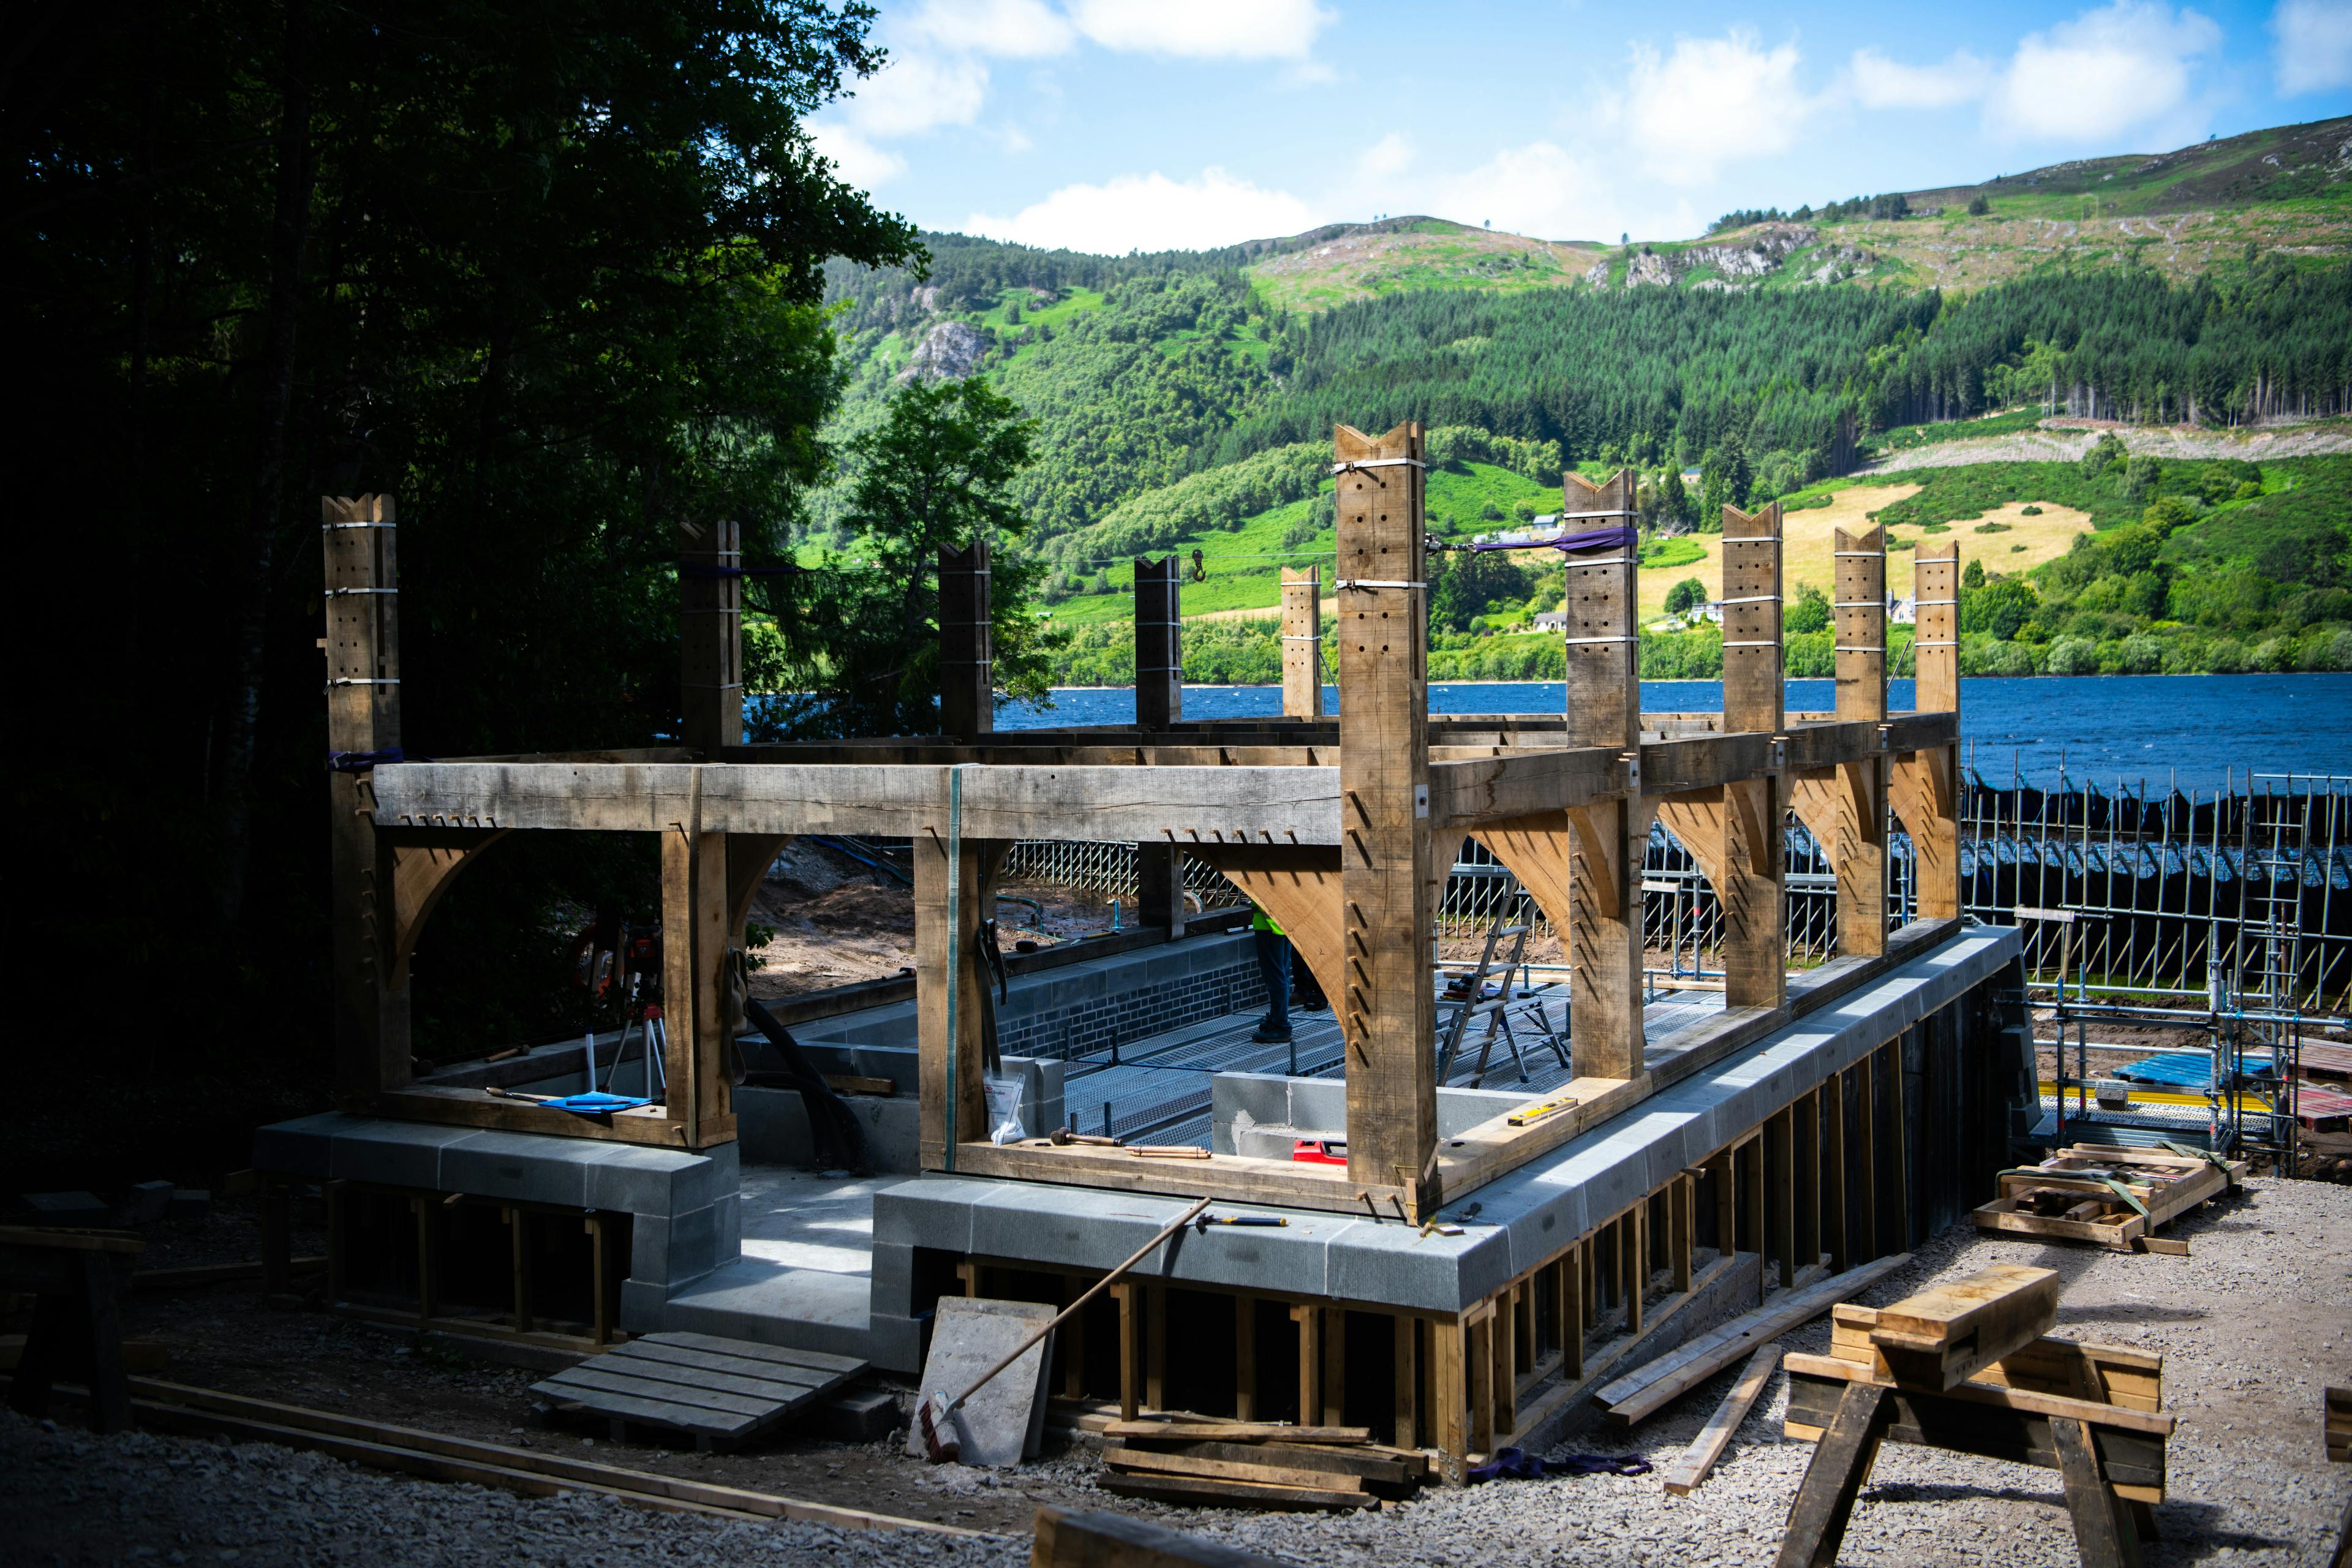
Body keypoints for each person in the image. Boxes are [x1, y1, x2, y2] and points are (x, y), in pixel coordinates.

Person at [1250, 902, 1292, 1044]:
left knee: (1275, 979)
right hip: (1282, 926)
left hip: (1268, 927)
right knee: (1282, 976)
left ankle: (1280, 1026)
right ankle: (1277, 1020)